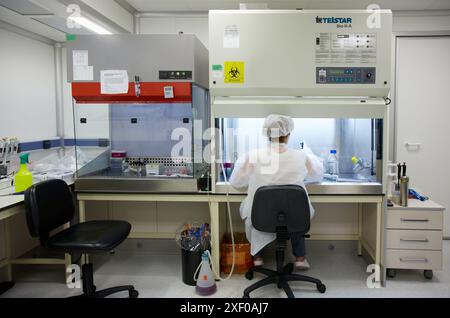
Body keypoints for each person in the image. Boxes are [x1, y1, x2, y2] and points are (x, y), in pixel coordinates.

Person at [229, 114, 323, 270]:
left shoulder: (254, 155)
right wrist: (309, 155)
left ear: (267, 134)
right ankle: (300, 257)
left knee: (251, 209)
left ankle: (257, 257)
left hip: (262, 216)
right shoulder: (301, 156)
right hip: (294, 217)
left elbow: (236, 182)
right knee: (296, 211)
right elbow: (317, 175)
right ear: (288, 135)